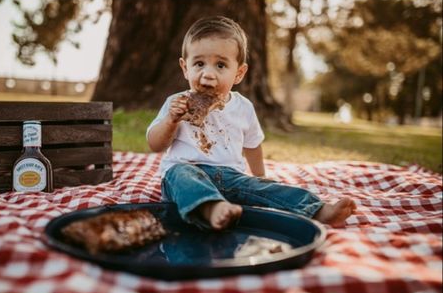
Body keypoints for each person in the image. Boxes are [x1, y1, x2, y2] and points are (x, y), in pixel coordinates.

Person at [146, 16, 356, 230]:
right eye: (199, 64)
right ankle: (210, 208)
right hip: (183, 178)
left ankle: (318, 209)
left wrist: (260, 178)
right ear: (185, 68)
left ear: (239, 73)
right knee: (181, 174)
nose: (208, 75)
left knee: (271, 189)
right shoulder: (176, 104)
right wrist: (171, 121)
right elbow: (154, 144)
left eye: (220, 65)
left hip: (230, 179)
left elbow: (252, 145)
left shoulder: (243, 107)